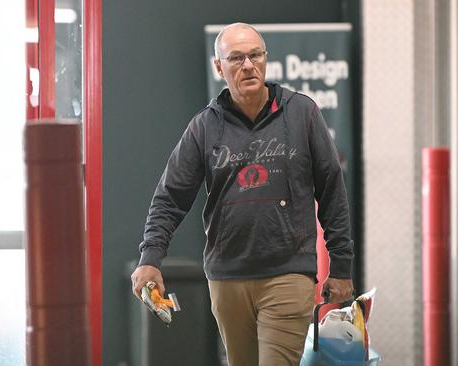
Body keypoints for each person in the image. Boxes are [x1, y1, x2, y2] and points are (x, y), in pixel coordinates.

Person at [131, 22, 354, 366]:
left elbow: (332, 191)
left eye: (255, 55)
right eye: (236, 58)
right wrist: (150, 258)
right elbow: (170, 198)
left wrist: (340, 265)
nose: (248, 65)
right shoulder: (204, 127)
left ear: (266, 60)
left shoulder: (302, 113)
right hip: (227, 278)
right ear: (219, 67)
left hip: (288, 273)